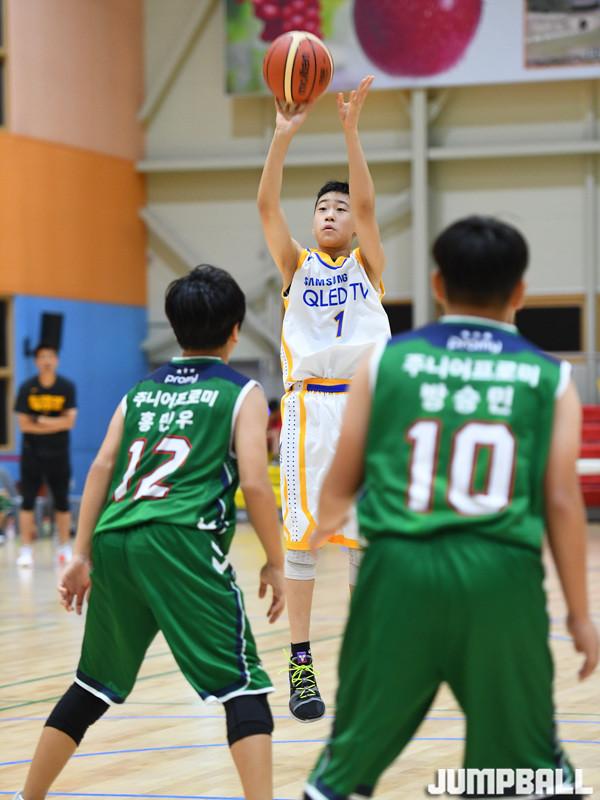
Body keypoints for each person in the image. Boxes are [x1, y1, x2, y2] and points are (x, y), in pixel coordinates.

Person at [304, 216, 600, 800]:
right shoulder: (551, 378)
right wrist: (579, 614)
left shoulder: (385, 362)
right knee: (526, 775)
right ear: (520, 291)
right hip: (500, 578)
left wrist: (324, 529)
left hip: (398, 574)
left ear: (438, 284)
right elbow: (563, 502)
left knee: (343, 772)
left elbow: (340, 480)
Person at [13, 266, 285, 800]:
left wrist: (80, 554)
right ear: (236, 330)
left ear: (174, 327)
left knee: (91, 684)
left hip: (115, 538)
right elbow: (255, 482)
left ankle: (27, 797)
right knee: (244, 685)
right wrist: (276, 560)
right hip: (181, 541)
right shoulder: (243, 392)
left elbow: (101, 466)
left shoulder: (140, 390)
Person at [257, 75, 391, 722]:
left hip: (365, 408)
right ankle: (301, 665)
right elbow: (266, 208)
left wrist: (350, 132)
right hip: (308, 409)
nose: (333, 214)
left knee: (365, 542)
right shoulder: (297, 267)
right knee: (303, 543)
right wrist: (281, 138)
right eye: (323, 209)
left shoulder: (367, 265)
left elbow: (367, 205)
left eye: (340, 208)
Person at [14, 344, 77, 567]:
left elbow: (70, 422)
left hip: (59, 453)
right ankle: (26, 549)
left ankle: (64, 547)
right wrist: (56, 422)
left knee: (62, 501)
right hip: (32, 453)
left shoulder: (66, 387)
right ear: (36, 361)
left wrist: (40, 420)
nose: (46, 360)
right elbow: (24, 425)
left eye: (50, 356)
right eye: (42, 357)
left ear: (56, 360)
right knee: (27, 501)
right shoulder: (27, 388)